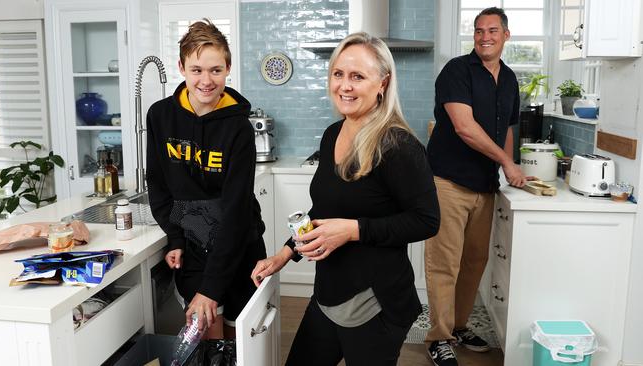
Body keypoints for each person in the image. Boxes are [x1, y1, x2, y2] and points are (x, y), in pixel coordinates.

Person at [251, 32, 440, 366]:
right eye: (338, 74)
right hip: (329, 291)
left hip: (374, 301)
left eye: (357, 76)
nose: (344, 85)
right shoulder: (332, 135)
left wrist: (353, 230)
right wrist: (285, 253)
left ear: (383, 82)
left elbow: (427, 220)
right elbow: (323, 211)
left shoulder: (398, 146)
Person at [146, 19, 265, 365]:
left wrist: (212, 288)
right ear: (181, 67)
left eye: (216, 69)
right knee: (205, 329)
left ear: (228, 68)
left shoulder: (238, 128)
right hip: (194, 246)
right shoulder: (160, 117)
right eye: (196, 69)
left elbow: (236, 209)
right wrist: (176, 238)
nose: (206, 80)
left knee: (239, 332)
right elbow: (159, 184)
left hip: (238, 240)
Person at [423, 7, 527, 366]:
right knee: (444, 264)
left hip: (485, 186)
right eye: (479, 31)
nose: (485, 37)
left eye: (492, 31)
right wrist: (508, 163)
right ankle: (438, 338)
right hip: (448, 182)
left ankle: (459, 325)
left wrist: (505, 173)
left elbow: (508, 130)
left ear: (506, 36)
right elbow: (465, 128)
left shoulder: (510, 79)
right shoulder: (456, 71)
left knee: (474, 261)